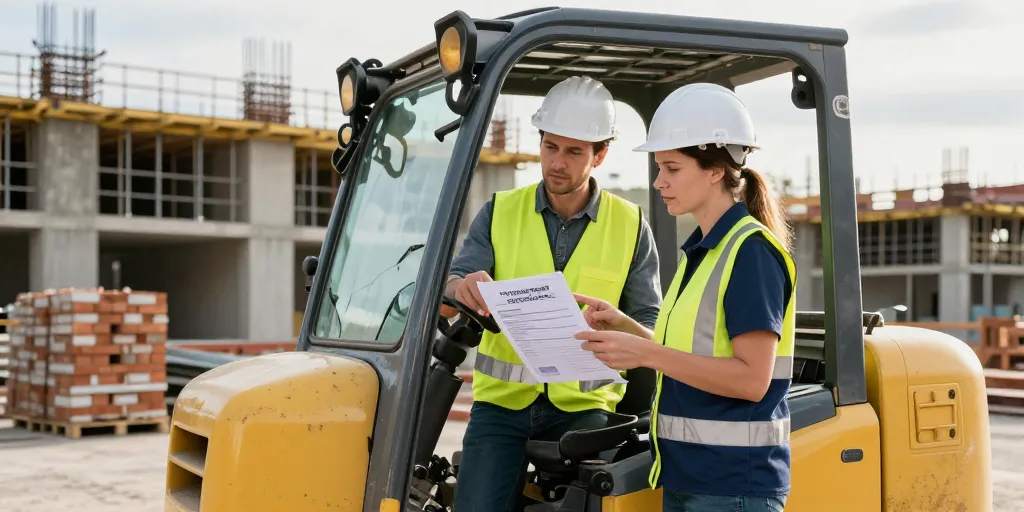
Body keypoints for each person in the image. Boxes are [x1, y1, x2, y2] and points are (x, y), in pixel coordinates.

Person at [572, 82, 796, 512]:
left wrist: (643, 353)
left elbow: (751, 380)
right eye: (659, 169)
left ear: (714, 169)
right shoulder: (703, 249)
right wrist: (627, 327)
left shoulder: (750, 253)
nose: (659, 182)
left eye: (672, 169)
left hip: (732, 487)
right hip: (691, 475)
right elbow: (692, 353)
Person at [445, 75, 663, 511]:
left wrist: (617, 328)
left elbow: (650, 324)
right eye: (550, 147)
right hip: (502, 408)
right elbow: (453, 284)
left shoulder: (631, 225)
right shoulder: (499, 211)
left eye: (574, 151)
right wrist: (462, 288)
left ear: (600, 155)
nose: (557, 163)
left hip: (585, 410)